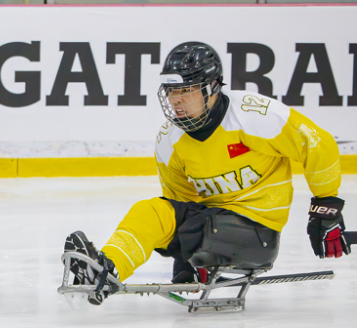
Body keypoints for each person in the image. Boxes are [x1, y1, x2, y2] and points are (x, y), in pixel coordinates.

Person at [64, 42, 346, 305]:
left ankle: (111, 270)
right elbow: (179, 207)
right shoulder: (170, 140)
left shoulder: (253, 116)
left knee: (192, 224)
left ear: (211, 89)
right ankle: (106, 269)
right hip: (213, 230)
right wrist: (184, 261)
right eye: (172, 92)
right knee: (151, 210)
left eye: (186, 91)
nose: (176, 101)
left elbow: (318, 143)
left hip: (258, 233)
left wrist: (326, 208)